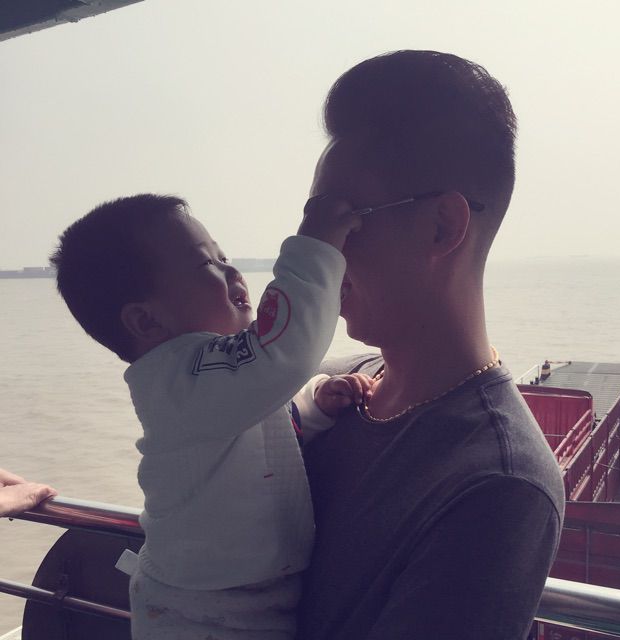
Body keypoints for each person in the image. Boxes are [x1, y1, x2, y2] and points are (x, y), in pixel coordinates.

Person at [297, 51, 566, 640]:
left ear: (443, 225)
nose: (316, 251)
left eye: (340, 219)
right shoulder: (327, 394)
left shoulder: (497, 485)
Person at [50, 193, 371, 640]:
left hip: (233, 599)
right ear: (146, 321)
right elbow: (284, 353)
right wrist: (317, 244)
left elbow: (266, 425)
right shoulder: (177, 376)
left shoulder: (216, 384)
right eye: (207, 264)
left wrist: (316, 404)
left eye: (224, 258)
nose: (231, 272)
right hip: (199, 614)